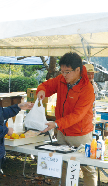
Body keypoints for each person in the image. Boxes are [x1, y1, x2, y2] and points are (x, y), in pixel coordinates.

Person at [37, 52, 97, 186]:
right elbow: (47, 85)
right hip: (62, 132)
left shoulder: (87, 89)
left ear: (78, 70)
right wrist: (41, 90)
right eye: (62, 71)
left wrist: (56, 123)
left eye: (67, 72)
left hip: (80, 134)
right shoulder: (61, 80)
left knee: (87, 167)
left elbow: (77, 115)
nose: (64, 75)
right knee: (64, 164)